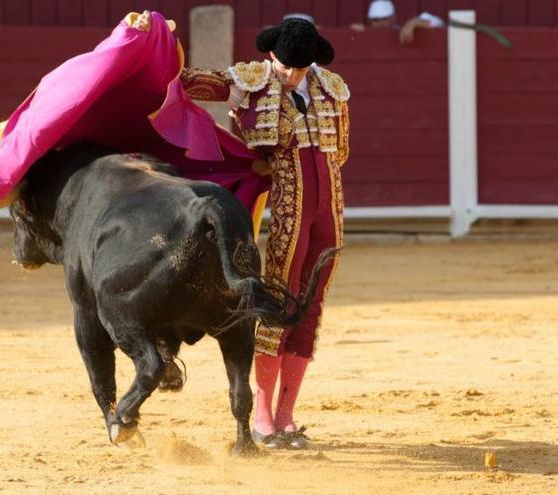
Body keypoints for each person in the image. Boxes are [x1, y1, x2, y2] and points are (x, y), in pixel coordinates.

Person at [180, 18, 350, 450]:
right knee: (279, 300)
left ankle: (288, 416)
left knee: (310, 306)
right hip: (289, 210)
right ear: (272, 55)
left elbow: (341, 151)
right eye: (289, 66)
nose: (296, 74)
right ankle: (261, 417)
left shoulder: (329, 86)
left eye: (303, 67)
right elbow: (188, 83)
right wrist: (151, 43)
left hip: (329, 210)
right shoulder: (250, 81)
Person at [352, 0, 444, 44]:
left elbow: (439, 23)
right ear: (370, 21)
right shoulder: (367, 33)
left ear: (393, 18)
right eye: (376, 20)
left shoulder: (402, 29)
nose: (380, 23)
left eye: (385, 19)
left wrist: (413, 23)